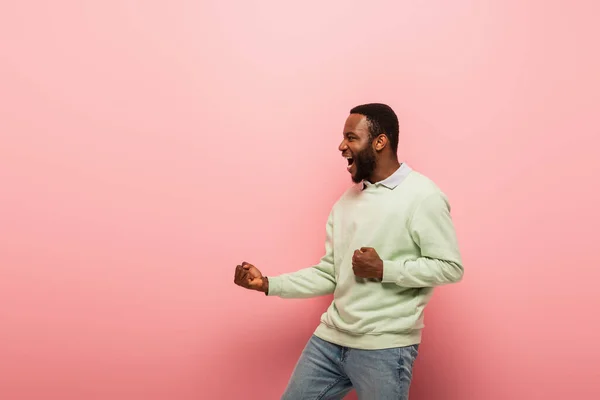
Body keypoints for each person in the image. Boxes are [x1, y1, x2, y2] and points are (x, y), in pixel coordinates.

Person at [233, 103, 464, 400]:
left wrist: (384, 269)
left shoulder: (423, 196)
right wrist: (268, 283)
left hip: (384, 347)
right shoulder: (347, 201)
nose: (342, 146)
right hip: (329, 340)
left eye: (351, 137)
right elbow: (331, 273)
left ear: (380, 142)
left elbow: (449, 266)